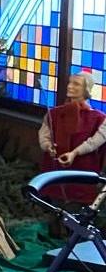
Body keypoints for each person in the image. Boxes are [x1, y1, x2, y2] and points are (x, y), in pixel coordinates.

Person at [40, 71, 106, 204]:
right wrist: (48, 146)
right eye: (70, 83)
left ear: (86, 89)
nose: (70, 86)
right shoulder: (53, 113)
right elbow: (44, 135)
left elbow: (94, 143)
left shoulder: (99, 118)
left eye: (76, 84)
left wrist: (74, 153)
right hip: (54, 172)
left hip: (81, 173)